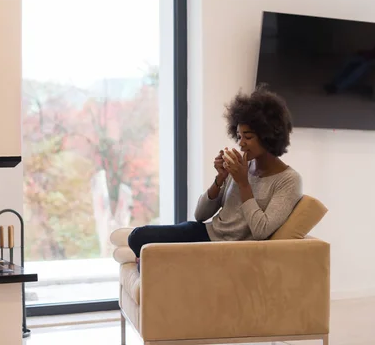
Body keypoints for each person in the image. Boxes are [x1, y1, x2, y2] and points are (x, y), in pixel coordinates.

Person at [127, 85, 302, 267]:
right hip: (205, 233)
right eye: (239, 136)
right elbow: (200, 215)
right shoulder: (242, 166)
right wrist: (220, 179)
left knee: (148, 263)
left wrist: (243, 183)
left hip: (225, 250)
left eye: (247, 137)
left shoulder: (288, 180)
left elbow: (261, 230)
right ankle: (147, 259)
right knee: (137, 237)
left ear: (267, 136)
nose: (241, 144)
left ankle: (147, 261)